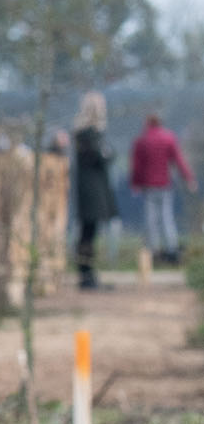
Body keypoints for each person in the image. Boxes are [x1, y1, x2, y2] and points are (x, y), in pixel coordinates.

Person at [130, 111, 196, 266]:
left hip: (148, 186)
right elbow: (178, 160)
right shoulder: (168, 138)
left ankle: (153, 252)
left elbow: (137, 166)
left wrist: (135, 184)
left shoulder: (142, 141)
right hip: (165, 185)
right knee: (167, 218)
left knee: (151, 220)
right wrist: (188, 178)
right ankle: (172, 250)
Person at [72, 91, 118, 290]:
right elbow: (100, 157)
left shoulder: (92, 135)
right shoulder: (86, 135)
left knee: (90, 232)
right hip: (91, 192)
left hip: (95, 189)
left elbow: (107, 155)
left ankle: (89, 274)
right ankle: (85, 275)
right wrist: (106, 153)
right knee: (87, 233)